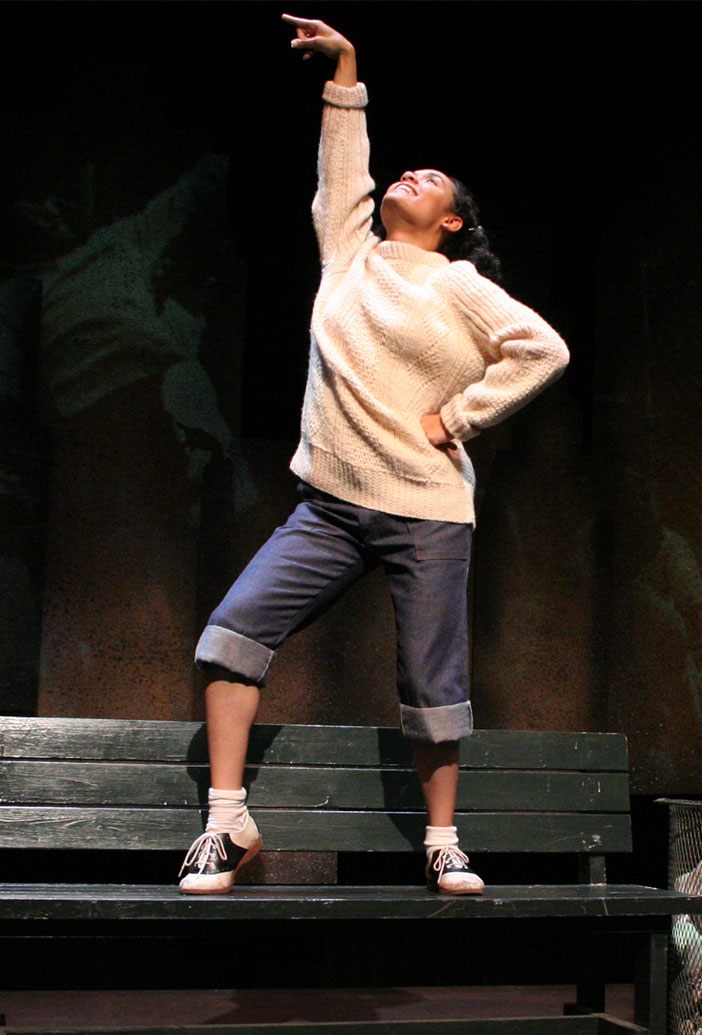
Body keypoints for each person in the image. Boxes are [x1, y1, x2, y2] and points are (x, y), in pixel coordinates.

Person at [179, 15, 569, 897]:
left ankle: (441, 839)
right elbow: (342, 171)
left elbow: (543, 352)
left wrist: (459, 418)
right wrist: (347, 72)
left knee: (432, 682)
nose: (410, 175)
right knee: (230, 636)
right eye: (407, 169)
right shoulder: (348, 254)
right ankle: (226, 821)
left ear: (453, 220)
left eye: (431, 180)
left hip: (429, 508)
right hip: (330, 503)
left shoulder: (462, 285)